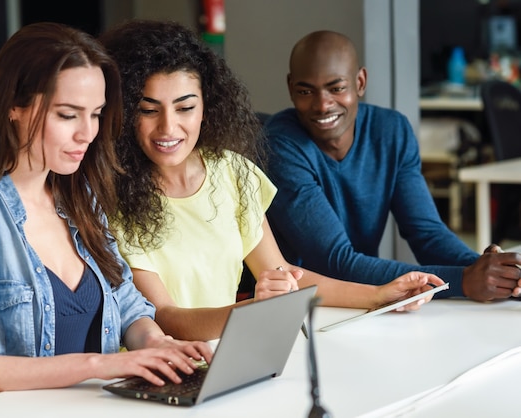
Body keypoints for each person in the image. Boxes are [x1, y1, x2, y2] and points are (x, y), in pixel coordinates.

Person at [0, 22, 212, 411]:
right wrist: (102, 365)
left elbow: (127, 305)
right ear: (14, 107)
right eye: (68, 115)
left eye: (96, 114)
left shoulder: (78, 195)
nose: (87, 134)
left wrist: (157, 346)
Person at [99, 20, 444, 342]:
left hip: (224, 357)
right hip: (157, 367)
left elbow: (286, 274)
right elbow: (165, 318)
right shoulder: (115, 193)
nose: (168, 128)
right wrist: (254, 311)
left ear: (207, 106)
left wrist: (380, 295)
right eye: (148, 110)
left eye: (185, 108)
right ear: (126, 110)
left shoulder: (232, 171)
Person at [264, 30, 521, 303]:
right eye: (306, 91)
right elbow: (335, 262)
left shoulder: (391, 131)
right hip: (301, 306)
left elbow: (427, 233)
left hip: (366, 303)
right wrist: (463, 280)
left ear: (360, 82)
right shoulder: (279, 145)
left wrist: (491, 272)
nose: (322, 105)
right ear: (291, 87)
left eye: (336, 88)